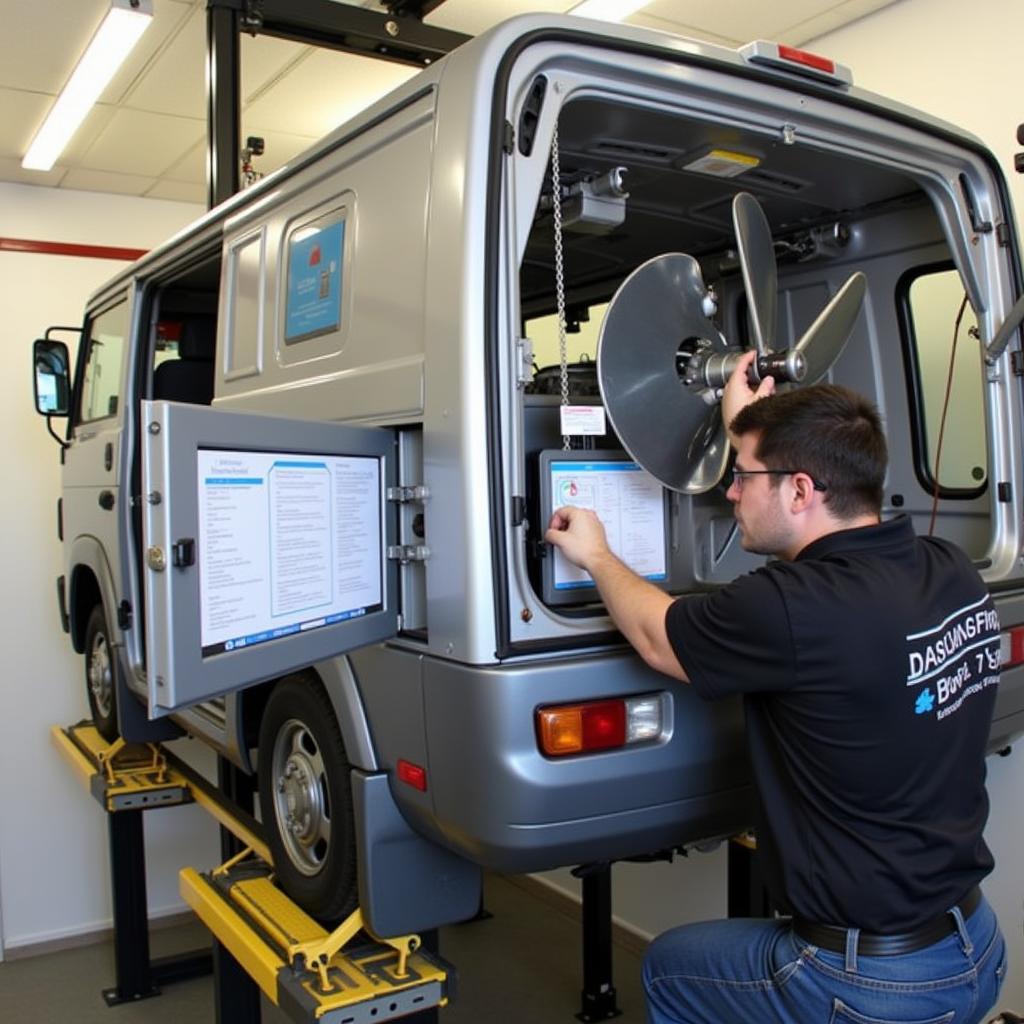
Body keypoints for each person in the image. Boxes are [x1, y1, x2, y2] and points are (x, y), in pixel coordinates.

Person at [545, 350, 1007, 1024]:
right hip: (974, 948)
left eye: (741, 479)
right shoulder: (950, 568)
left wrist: (595, 554)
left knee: (669, 967)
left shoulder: (792, 606)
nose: (730, 494)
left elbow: (654, 635)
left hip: (869, 983)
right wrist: (745, 427)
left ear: (799, 490)